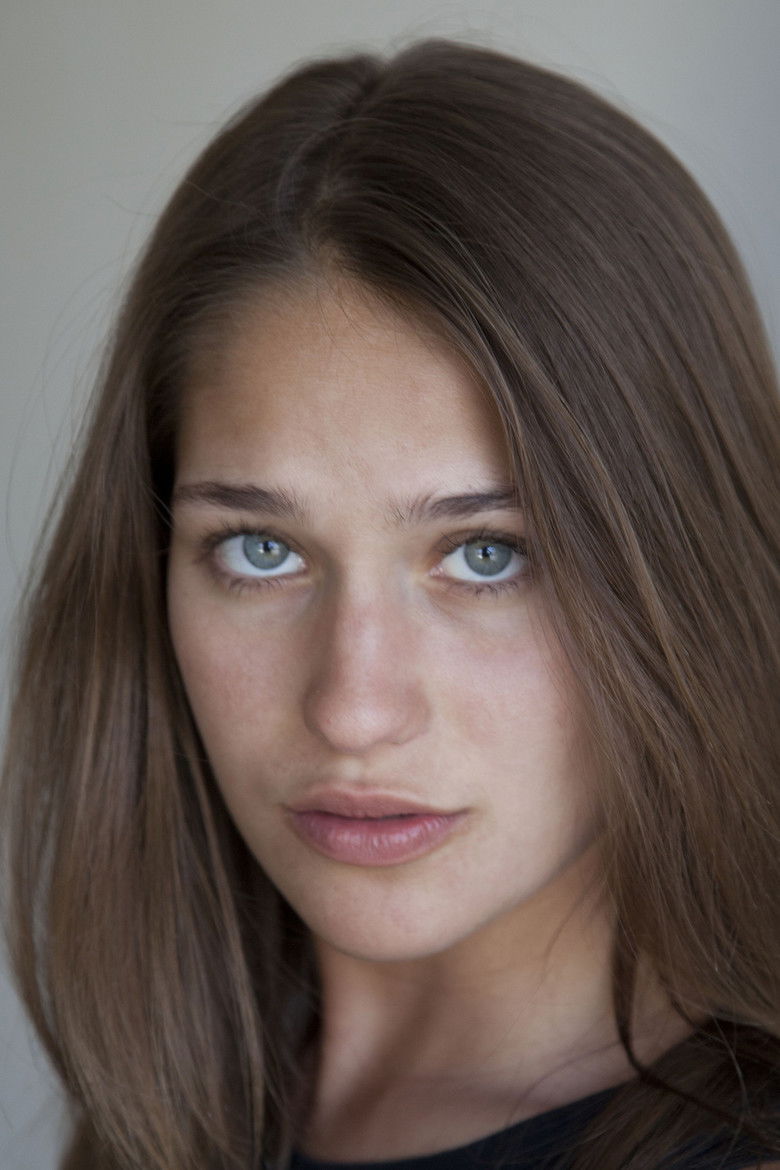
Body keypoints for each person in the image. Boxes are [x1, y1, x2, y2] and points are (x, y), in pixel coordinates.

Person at [2, 36, 779, 1170]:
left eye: (487, 556)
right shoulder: (189, 1104)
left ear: (685, 573)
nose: (354, 709)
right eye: (263, 550)